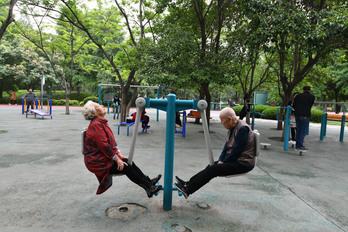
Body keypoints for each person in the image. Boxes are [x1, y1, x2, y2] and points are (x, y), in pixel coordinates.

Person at [82, 101, 161, 197]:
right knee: (126, 167)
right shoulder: (96, 125)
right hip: (98, 162)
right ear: (93, 114)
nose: (102, 106)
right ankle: (148, 188)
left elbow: (112, 142)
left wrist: (119, 155)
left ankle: (148, 181)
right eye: (98, 106)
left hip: (103, 157)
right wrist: (117, 159)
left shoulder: (101, 123)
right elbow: (105, 146)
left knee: (128, 161)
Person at [175, 107, 256, 199]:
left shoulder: (242, 129)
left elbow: (237, 150)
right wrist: (221, 160)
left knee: (213, 170)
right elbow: (226, 147)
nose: (221, 122)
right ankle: (188, 184)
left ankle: (188, 190)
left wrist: (224, 162)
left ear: (229, 119)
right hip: (236, 160)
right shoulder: (232, 127)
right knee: (211, 166)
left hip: (244, 163)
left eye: (222, 120)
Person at [293, 86, 315, 151]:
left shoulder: (298, 96)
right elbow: (310, 105)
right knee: (303, 131)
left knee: (298, 130)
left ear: (303, 90)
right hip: (305, 115)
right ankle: (300, 145)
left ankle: (297, 144)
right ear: (310, 90)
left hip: (297, 115)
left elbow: (294, 105)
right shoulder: (312, 97)